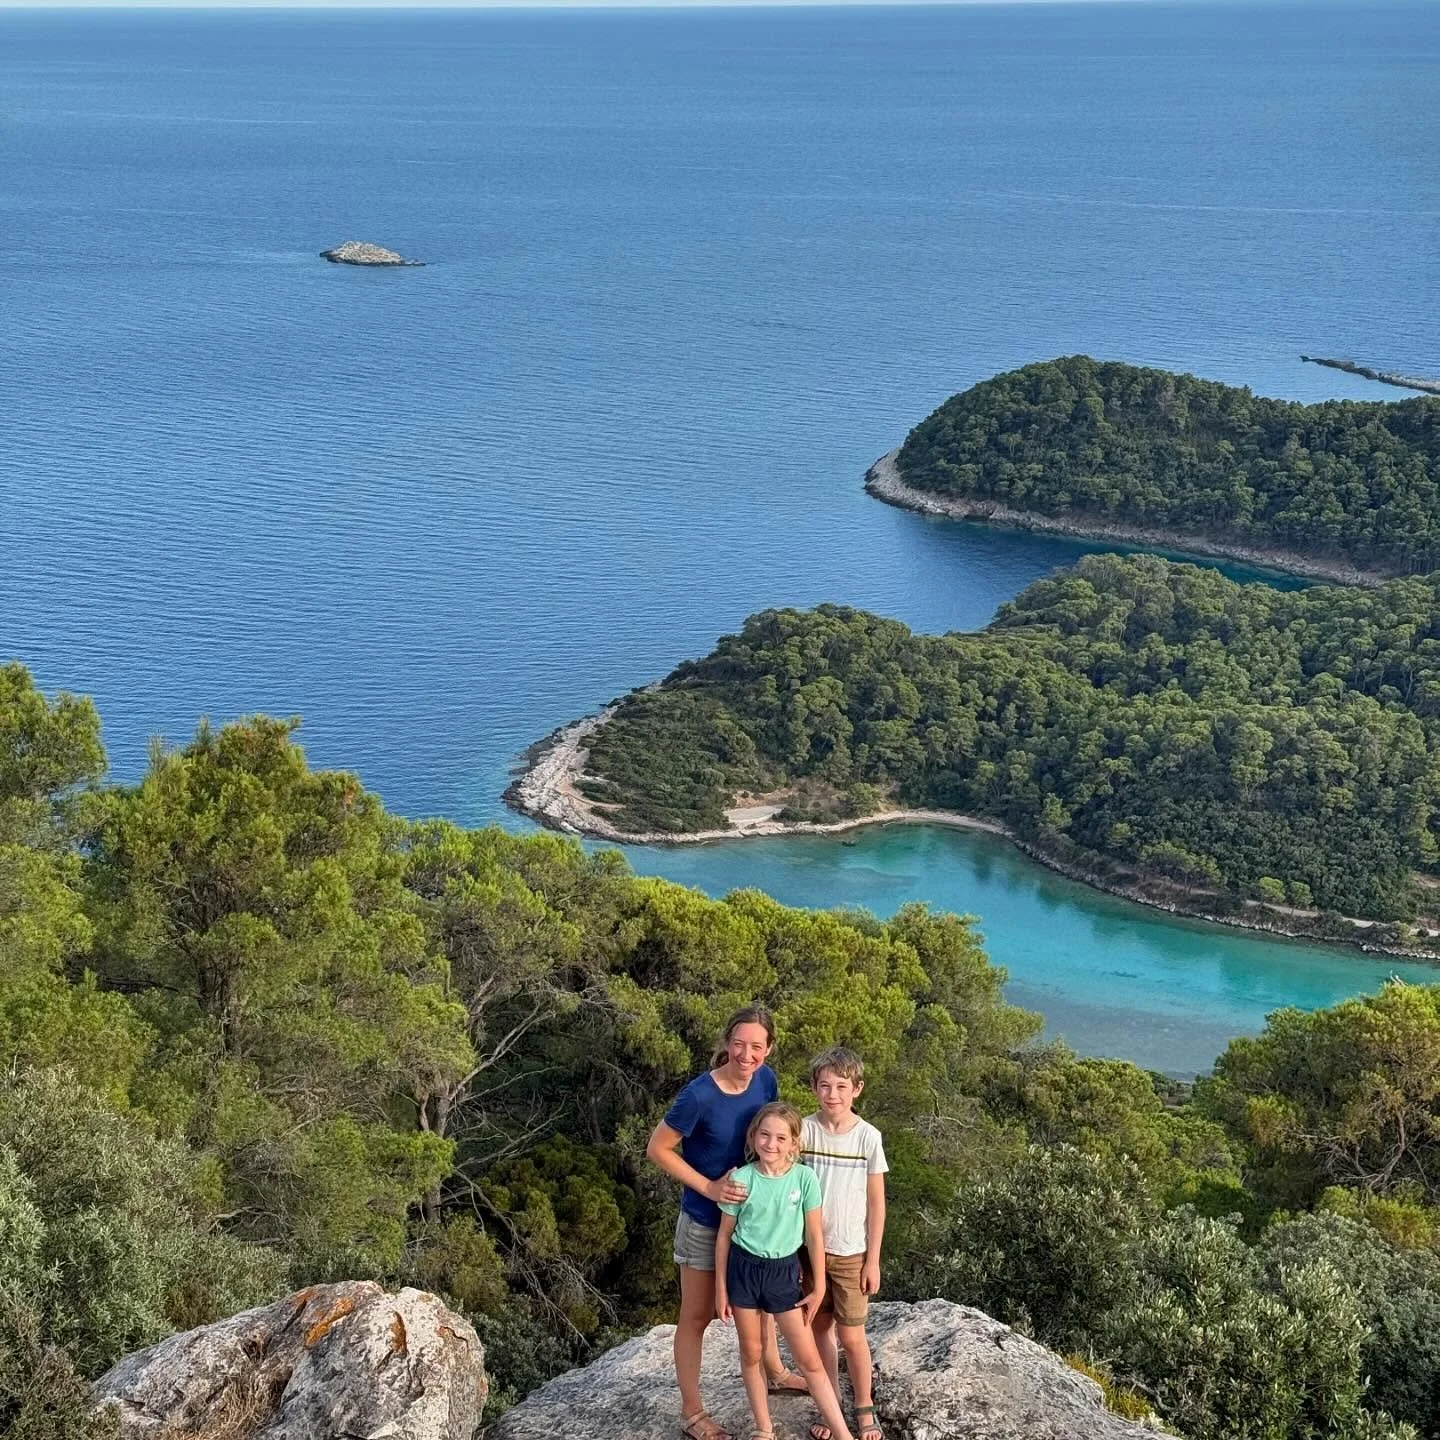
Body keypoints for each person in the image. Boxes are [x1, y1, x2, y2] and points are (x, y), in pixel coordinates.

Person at [646, 1007, 808, 1440]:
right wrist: (710, 1188)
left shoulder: (766, 1080)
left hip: (754, 1222)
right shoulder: (698, 1095)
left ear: (768, 1049)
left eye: (757, 1046)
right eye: (739, 1043)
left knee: (760, 1302)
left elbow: (775, 1136)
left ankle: (774, 1371)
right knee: (696, 1316)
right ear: (727, 1042)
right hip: (704, 1220)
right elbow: (657, 1149)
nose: (747, 1054)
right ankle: (693, 1412)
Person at [715, 1102, 857, 1440]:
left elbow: (813, 1235)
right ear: (753, 1136)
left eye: (781, 1137)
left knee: (809, 1360)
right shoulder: (741, 1179)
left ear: (794, 1142)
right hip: (744, 1271)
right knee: (751, 1353)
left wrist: (819, 1285)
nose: (771, 1144)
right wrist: (721, 1289)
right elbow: (723, 1236)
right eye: (764, 1135)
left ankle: (842, 1433)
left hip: (783, 1274)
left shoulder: (804, 1178)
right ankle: (764, 1428)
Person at [800, 1047, 888, 1440]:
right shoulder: (803, 1131)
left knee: (852, 1335)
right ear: (814, 1089)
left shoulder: (868, 1137)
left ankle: (864, 1406)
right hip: (807, 1253)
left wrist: (874, 1259)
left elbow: (876, 1201)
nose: (832, 1094)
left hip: (852, 1252)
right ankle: (829, 1401)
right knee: (819, 1328)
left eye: (841, 1086)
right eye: (825, 1086)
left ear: (857, 1089)